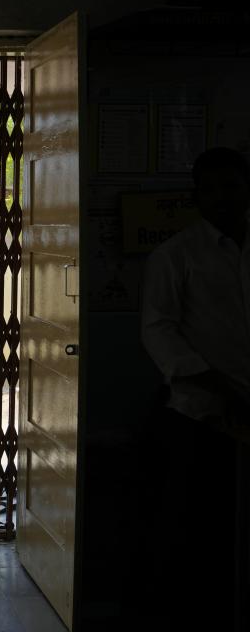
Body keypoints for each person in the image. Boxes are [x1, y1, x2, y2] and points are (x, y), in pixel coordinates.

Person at [140, 146, 250, 629]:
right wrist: (218, 384)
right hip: (201, 411)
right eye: (212, 188)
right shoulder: (177, 255)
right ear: (196, 196)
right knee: (198, 523)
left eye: (232, 185)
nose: (223, 197)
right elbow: (158, 329)